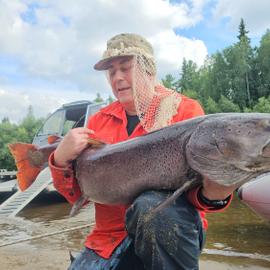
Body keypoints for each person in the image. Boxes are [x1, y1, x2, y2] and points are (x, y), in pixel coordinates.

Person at [49, 33, 236, 270]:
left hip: (171, 232)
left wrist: (214, 195)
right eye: (111, 72)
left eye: (125, 68)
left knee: (151, 206)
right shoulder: (97, 122)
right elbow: (77, 197)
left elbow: (197, 198)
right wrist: (58, 159)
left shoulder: (184, 111)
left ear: (148, 69)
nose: (117, 78)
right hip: (109, 238)